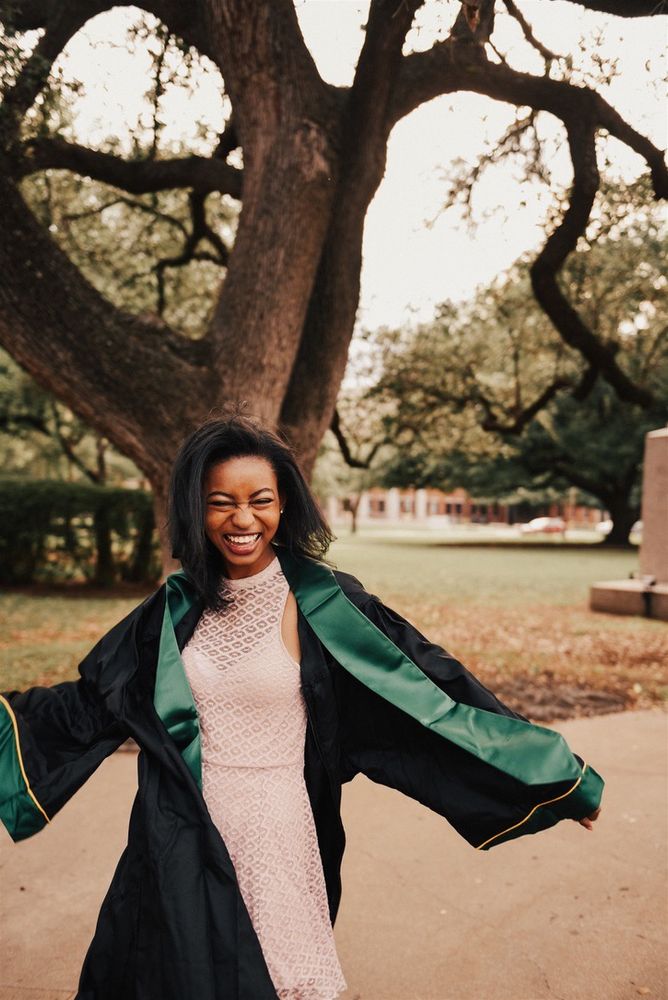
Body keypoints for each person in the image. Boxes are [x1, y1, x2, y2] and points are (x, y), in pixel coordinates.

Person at [0, 414, 603, 1000]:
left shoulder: (327, 604)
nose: (242, 519)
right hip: (180, 828)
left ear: (284, 503)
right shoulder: (174, 608)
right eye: (220, 502)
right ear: (195, 509)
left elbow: (435, 698)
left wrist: (553, 776)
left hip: (278, 830)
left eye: (259, 500)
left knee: (279, 978)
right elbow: (86, 705)